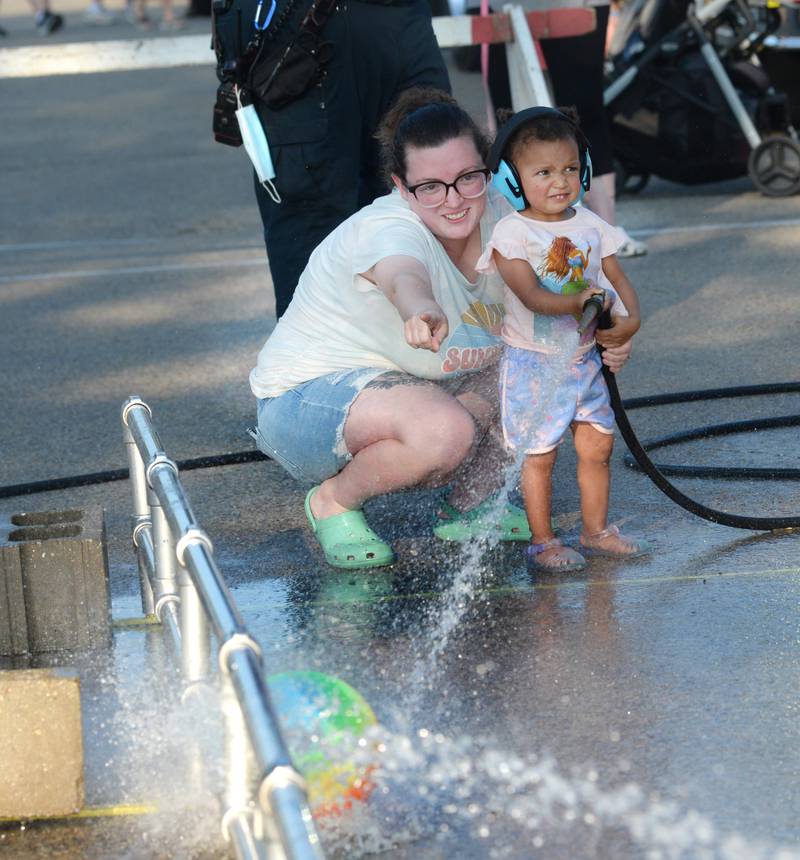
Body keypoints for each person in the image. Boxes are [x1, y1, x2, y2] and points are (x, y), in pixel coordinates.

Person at [249, 88, 634, 570]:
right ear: (401, 186)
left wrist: (609, 333)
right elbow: (402, 274)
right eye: (429, 186)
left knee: (531, 376)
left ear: (494, 175)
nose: (453, 201)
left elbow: (576, 286)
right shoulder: (389, 227)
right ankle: (333, 502)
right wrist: (420, 307)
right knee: (442, 434)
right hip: (305, 402)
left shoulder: (512, 219)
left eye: (468, 178)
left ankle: (469, 507)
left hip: (410, 386)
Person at [475, 106, 648, 572]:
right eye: (544, 172)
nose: (560, 182)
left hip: (585, 360)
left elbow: (616, 276)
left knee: (597, 446)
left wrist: (630, 320)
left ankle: (595, 531)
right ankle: (543, 539)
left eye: (571, 169)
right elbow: (531, 296)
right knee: (541, 455)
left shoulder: (591, 224)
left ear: (585, 170)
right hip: (534, 364)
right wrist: (576, 303)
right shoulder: (512, 234)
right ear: (512, 180)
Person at [250, 0, 451, 318]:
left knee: (433, 189)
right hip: (296, 28)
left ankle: (428, 343)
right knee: (310, 228)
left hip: (397, 22)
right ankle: (315, 364)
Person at [485, 0, 647, 258]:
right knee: (508, 117)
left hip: (575, 4)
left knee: (583, 107)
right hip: (501, 4)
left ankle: (606, 231)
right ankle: (514, 235)